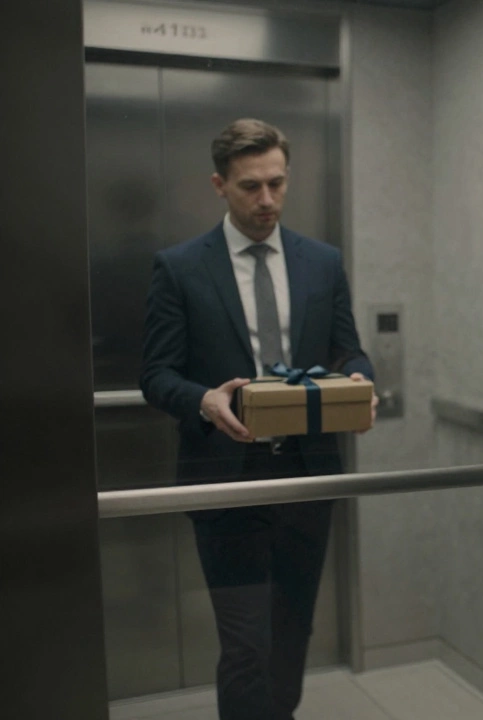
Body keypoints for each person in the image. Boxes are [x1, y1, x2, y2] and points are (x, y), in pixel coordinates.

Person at [140, 118, 377, 720]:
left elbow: (347, 349)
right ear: (220, 184)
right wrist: (203, 400)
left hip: (308, 475)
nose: (266, 200)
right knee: (246, 644)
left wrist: (360, 380)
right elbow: (156, 374)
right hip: (225, 479)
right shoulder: (181, 267)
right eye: (250, 187)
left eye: (277, 183)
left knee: (291, 632)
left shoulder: (321, 263)